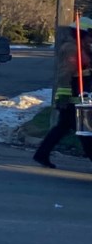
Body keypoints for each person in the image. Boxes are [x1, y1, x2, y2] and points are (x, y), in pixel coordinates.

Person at [34, 21, 92, 168]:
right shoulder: (72, 49)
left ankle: (41, 154)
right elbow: (65, 74)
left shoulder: (83, 48)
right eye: (90, 35)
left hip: (81, 94)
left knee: (64, 127)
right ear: (82, 34)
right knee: (83, 130)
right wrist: (64, 98)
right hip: (73, 96)